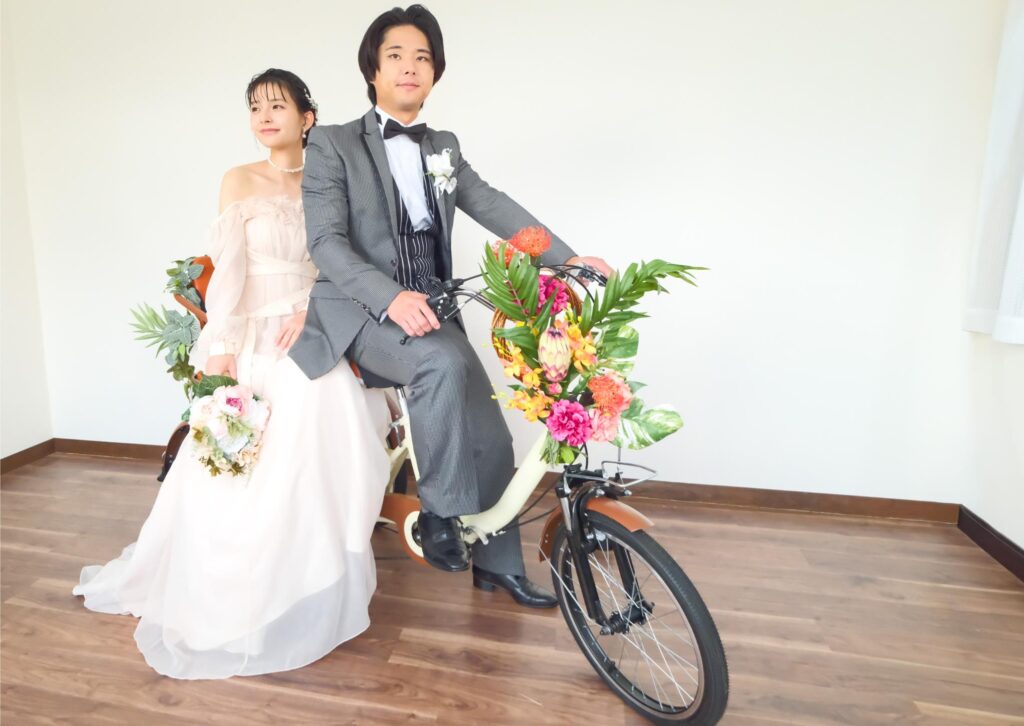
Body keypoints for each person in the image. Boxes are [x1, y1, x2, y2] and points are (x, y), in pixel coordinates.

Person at [289, 6, 612, 608]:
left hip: (432, 313)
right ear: (372, 69)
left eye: (423, 58)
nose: (410, 67)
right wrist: (391, 296)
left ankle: (497, 566)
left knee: (491, 433)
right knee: (441, 364)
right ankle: (438, 511)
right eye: (396, 56)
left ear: (435, 73)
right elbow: (326, 243)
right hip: (360, 311)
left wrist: (566, 259)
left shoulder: (443, 147)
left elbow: (493, 204)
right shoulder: (332, 143)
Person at [73, 69, 392, 679]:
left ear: (307, 118)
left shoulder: (330, 181)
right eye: (254, 107)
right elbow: (229, 273)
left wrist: (316, 311)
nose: (264, 117)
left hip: (311, 326)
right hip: (253, 331)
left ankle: (313, 574)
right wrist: (221, 349)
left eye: (277, 106)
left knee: (336, 412)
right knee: (248, 447)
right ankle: (242, 587)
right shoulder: (238, 179)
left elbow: (345, 263)